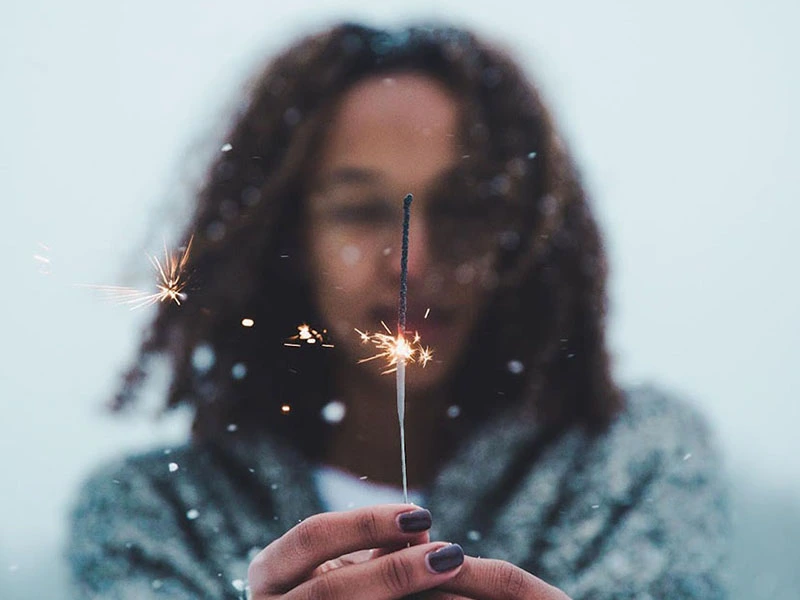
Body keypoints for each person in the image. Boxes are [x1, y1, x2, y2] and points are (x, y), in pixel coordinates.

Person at [68, 22, 729, 599]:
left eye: (463, 207)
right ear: (287, 240)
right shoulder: (154, 515)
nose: (412, 264)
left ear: (523, 232)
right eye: (360, 210)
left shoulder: (637, 460)